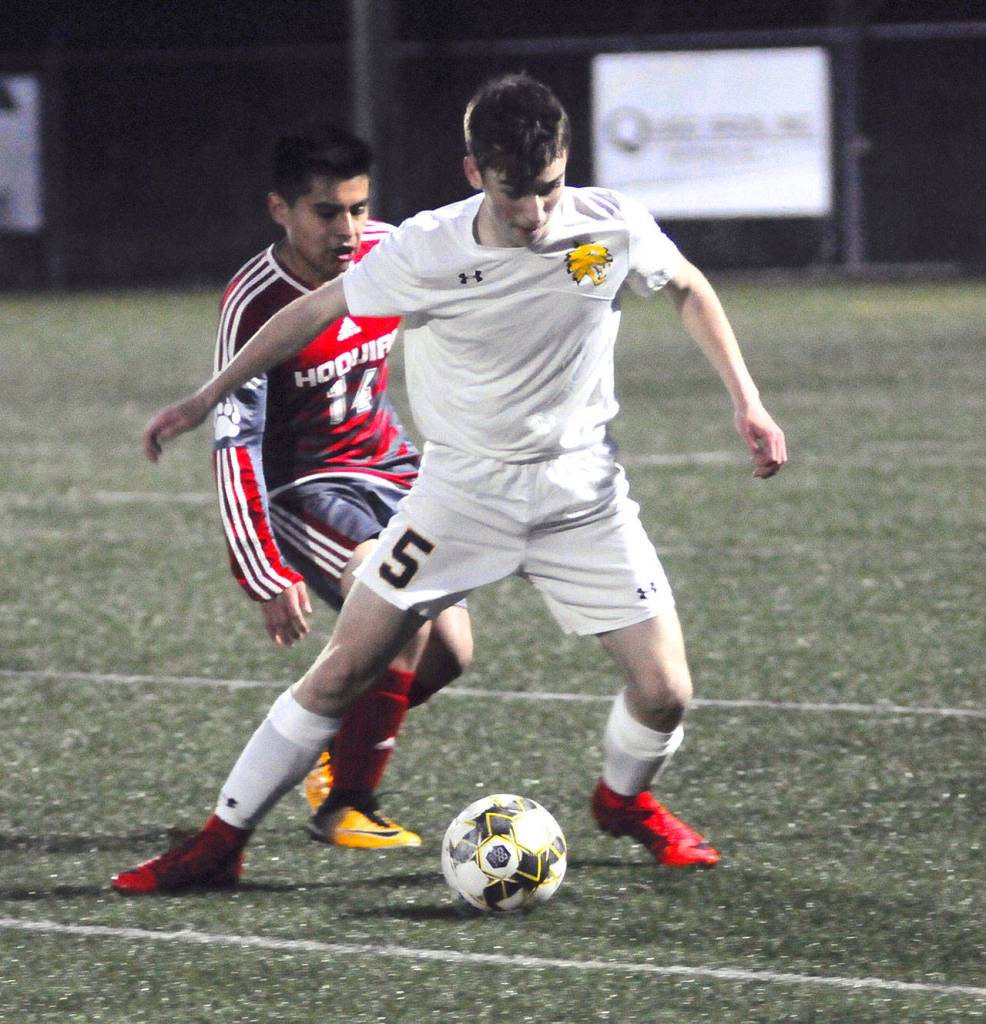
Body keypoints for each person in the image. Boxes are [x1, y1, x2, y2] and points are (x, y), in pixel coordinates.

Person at [113, 73, 786, 894]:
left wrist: (748, 403)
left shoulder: (606, 229)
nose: (535, 213)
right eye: (514, 193)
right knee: (342, 669)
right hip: (457, 498)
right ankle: (219, 843)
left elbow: (687, 288)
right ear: (475, 172)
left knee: (666, 692)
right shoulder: (427, 248)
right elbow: (313, 311)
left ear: (566, 162)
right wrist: (205, 396)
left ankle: (622, 802)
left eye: (548, 189)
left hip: (583, 496)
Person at [188, 123, 475, 869]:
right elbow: (234, 443)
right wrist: (262, 572)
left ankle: (327, 744)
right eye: (326, 213)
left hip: (393, 466)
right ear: (279, 209)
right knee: (397, 607)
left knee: (454, 652)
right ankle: (348, 804)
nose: (348, 230)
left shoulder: (386, 249)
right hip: (305, 487)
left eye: (358, 208)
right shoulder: (253, 302)